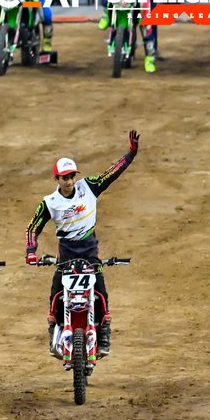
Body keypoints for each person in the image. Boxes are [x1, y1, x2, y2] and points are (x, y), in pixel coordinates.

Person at [26, 131, 139, 357]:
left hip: (90, 255)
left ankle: (104, 336)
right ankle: (53, 332)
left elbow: (111, 174)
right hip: (66, 257)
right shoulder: (50, 202)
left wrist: (131, 154)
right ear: (56, 179)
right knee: (56, 295)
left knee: (101, 294)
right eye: (64, 177)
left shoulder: (88, 187)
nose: (69, 181)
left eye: (72, 176)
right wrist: (30, 250)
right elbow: (33, 227)